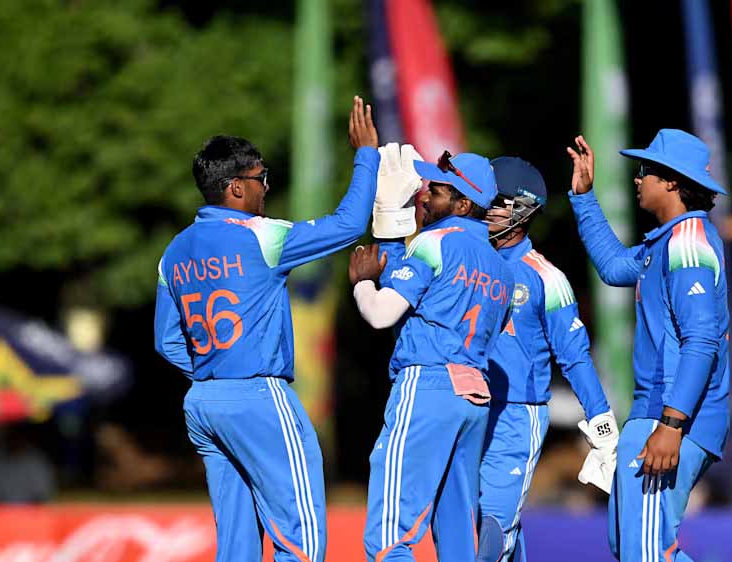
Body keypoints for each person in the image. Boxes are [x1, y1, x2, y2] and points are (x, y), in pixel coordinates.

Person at [153, 96, 380, 562]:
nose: (267, 186)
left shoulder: (174, 250)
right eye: (261, 178)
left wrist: (215, 369)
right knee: (301, 537)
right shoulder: (262, 235)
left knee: (236, 544)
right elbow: (349, 224)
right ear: (236, 188)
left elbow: (166, 340)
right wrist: (366, 155)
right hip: (258, 395)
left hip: (204, 401)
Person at [567, 130, 730, 562]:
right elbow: (613, 266)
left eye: (645, 170)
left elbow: (701, 341)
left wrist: (672, 426)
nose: (637, 179)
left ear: (673, 181)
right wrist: (584, 198)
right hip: (657, 414)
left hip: (672, 417)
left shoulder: (688, 244)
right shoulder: (665, 241)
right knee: (634, 549)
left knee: (645, 553)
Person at [349, 147, 513, 562]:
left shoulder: (434, 242)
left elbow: (381, 314)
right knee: (458, 535)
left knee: (389, 535)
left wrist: (363, 283)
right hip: (474, 395)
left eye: (437, 191)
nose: (425, 195)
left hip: (427, 386)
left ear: (463, 204)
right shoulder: (503, 269)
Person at [476, 156, 618, 562]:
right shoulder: (466, 258)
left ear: (523, 209)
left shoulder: (546, 278)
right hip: (467, 409)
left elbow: (575, 357)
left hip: (516, 415)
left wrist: (603, 425)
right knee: (472, 527)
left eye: (496, 201)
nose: (485, 208)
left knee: (492, 530)